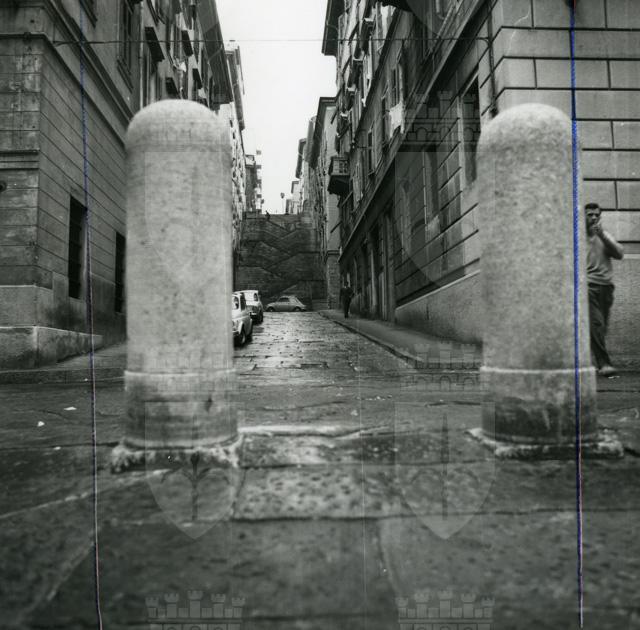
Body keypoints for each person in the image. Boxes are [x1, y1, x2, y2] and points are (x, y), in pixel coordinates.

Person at [586, 202, 624, 376]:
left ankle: (588, 362)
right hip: (587, 287)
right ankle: (605, 364)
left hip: (606, 287)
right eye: (590, 215)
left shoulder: (604, 235)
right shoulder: (577, 239)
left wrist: (602, 235)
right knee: (596, 324)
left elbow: (619, 254)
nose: (594, 218)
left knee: (600, 328)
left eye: (597, 215)